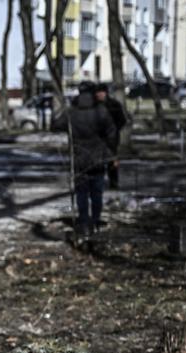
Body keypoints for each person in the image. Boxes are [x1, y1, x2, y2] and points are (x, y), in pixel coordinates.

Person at [55, 81, 118, 237]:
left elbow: (56, 125)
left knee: (81, 193)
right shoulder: (101, 111)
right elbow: (112, 134)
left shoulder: (72, 112)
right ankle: (95, 221)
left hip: (78, 159)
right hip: (97, 159)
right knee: (97, 193)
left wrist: (59, 108)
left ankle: (83, 221)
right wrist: (111, 153)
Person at [95, 83, 129, 190]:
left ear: (105, 93)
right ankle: (98, 182)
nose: (98, 95)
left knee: (112, 161)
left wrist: (114, 129)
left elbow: (122, 120)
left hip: (112, 138)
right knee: (98, 161)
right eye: (97, 93)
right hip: (99, 138)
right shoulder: (95, 106)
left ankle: (113, 183)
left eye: (100, 92)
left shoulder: (114, 104)